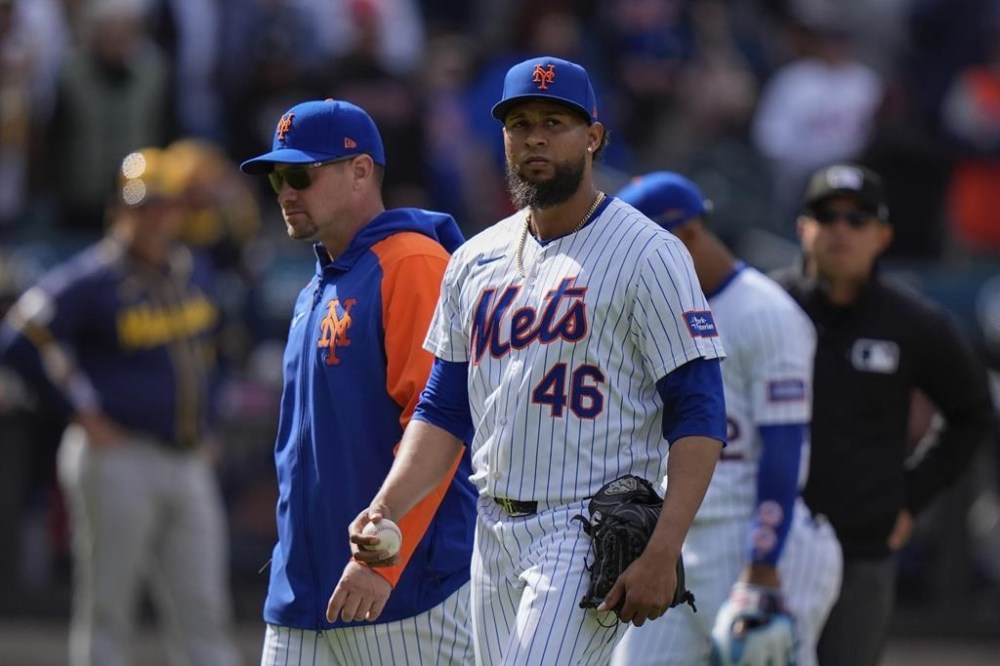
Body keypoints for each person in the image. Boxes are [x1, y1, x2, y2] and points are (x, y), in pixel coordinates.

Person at [335, 55, 728, 664]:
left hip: (589, 527)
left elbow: (699, 410)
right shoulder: (475, 259)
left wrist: (664, 547)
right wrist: (385, 506)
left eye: (555, 121)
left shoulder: (648, 252)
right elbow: (442, 410)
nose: (535, 136)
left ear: (594, 136)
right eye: (519, 123)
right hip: (491, 531)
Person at [238, 99, 477, 665]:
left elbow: (440, 426)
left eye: (301, 174)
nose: (285, 191)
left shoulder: (413, 263)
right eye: (277, 177)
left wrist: (381, 561)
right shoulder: (315, 286)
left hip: (404, 596)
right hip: (302, 601)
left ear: (361, 171)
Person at [0, 146, 241, 665]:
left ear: (180, 211)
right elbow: (19, 338)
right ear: (119, 211)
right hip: (118, 456)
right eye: (143, 206)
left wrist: (211, 420)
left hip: (188, 457)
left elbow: (215, 351)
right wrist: (79, 411)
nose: (155, 217)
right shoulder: (92, 277)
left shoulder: (191, 269)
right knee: (109, 610)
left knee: (205, 610)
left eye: (165, 204)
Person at [610, 172, 842, 666]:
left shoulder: (764, 311)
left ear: (688, 235)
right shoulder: (650, 312)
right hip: (675, 539)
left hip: (749, 537)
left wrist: (762, 564)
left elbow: (783, 450)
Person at [770, 162, 995, 666]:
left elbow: (972, 410)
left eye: (858, 219)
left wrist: (912, 499)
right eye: (827, 216)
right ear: (803, 226)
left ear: (883, 234)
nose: (841, 231)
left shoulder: (913, 322)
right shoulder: (765, 307)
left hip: (860, 550)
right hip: (763, 548)